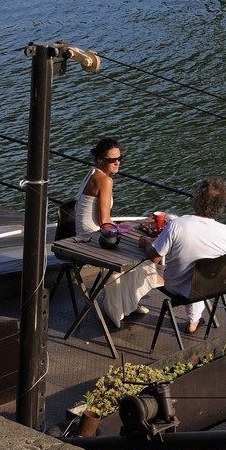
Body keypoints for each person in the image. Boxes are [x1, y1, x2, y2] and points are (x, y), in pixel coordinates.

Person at [74, 137, 162, 326]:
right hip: (92, 237)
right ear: (99, 160)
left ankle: (129, 302)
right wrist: (125, 230)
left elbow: (99, 217)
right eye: (112, 160)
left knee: (136, 244)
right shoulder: (105, 180)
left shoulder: (92, 173)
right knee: (137, 250)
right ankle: (122, 307)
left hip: (82, 232)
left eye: (119, 158)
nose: (117, 163)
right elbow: (104, 222)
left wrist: (120, 225)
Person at [139, 178, 226, 335]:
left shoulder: (178, 224)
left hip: (176, 287)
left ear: (196, 201)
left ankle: (127, 305)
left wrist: (146, 243)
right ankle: (194, 320)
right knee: (207, 266)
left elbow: (154, 257)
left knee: (147, 267)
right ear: (220, 206)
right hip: (215, 286)